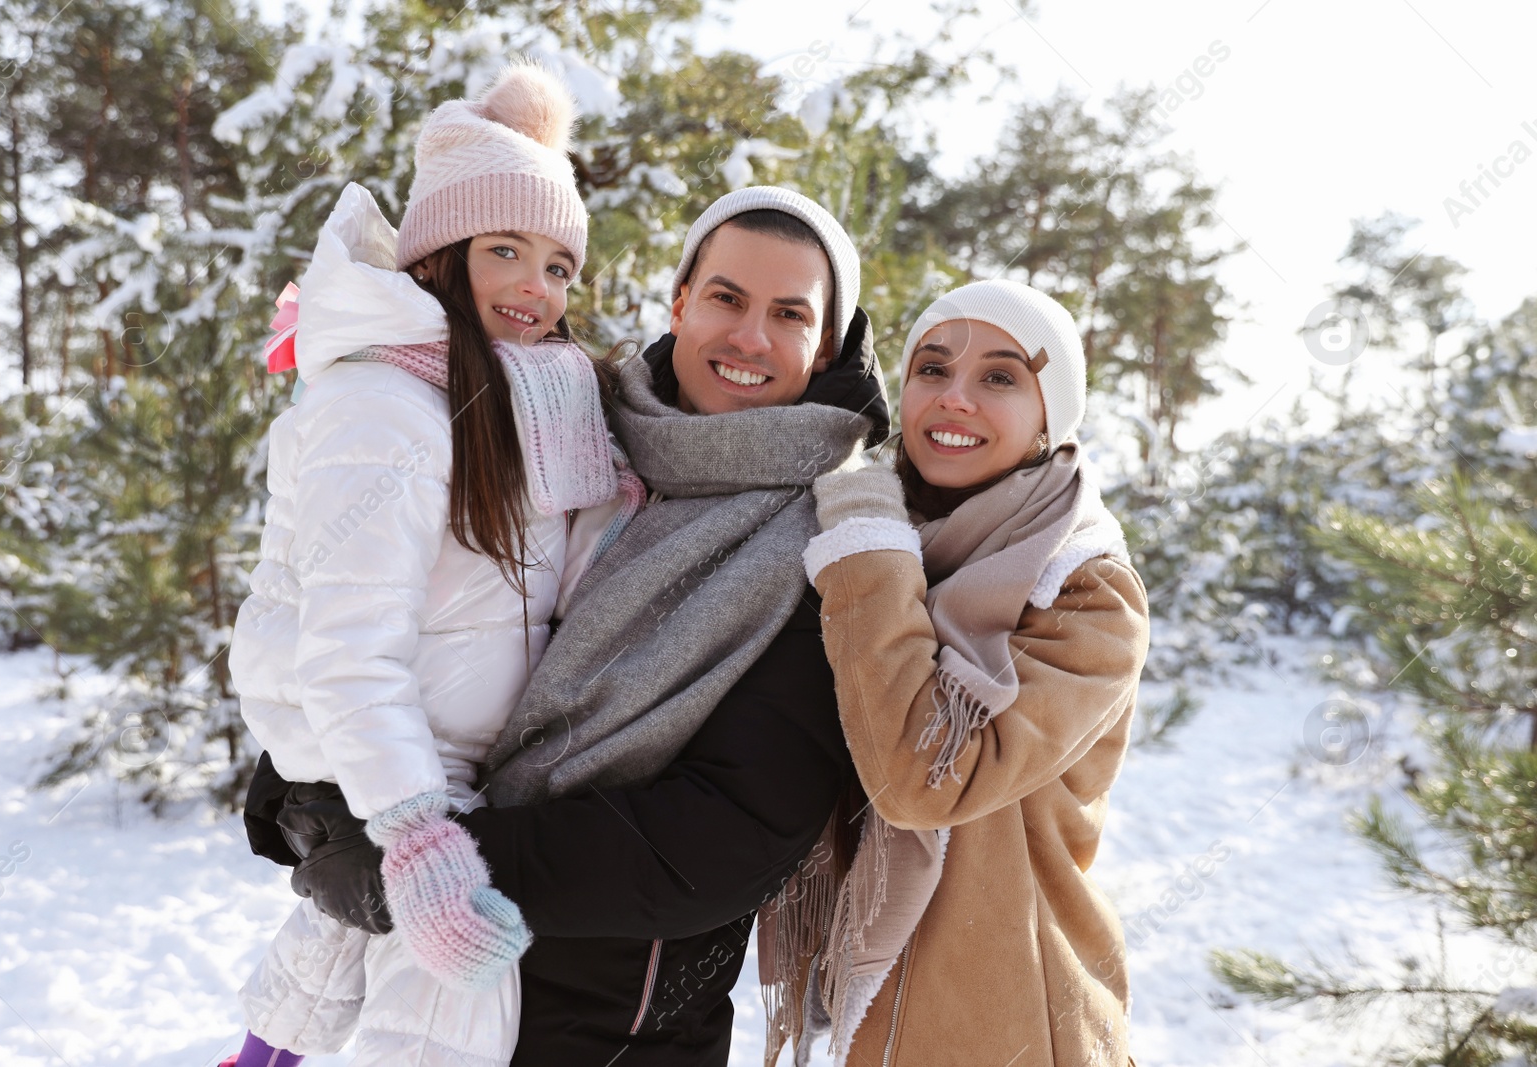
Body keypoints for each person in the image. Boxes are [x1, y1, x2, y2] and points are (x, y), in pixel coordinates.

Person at [244, 186, 891, 1067]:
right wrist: (309, 795)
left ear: (824, 346)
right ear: (681, 304)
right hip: (443, 983)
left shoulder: (832, 546)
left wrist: (428, 859)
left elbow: (720, 841)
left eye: (788, 314)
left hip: (619, 1022)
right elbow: (408, 619)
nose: (748, 337)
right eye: (727, 298)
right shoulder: (576, 433)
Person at [222, 63, 639, 1067]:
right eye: (505, 250)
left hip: (430, 749)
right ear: (439, 256)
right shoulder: (386, 405)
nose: (538, 289)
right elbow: (347, 651)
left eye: (560, 266)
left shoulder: (521, 398)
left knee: (333, 949)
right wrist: (415, 833)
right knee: (459, 985)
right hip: (390, 761)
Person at [770, 278, 1150, 1066]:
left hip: (1007, 1011)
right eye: (933, 369)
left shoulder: (1086, 592)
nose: (955, 398)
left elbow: (923, 780)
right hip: (868, 1009)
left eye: (1001, 377)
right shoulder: (874, 530)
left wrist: (869, 550)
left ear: (1051, 416)